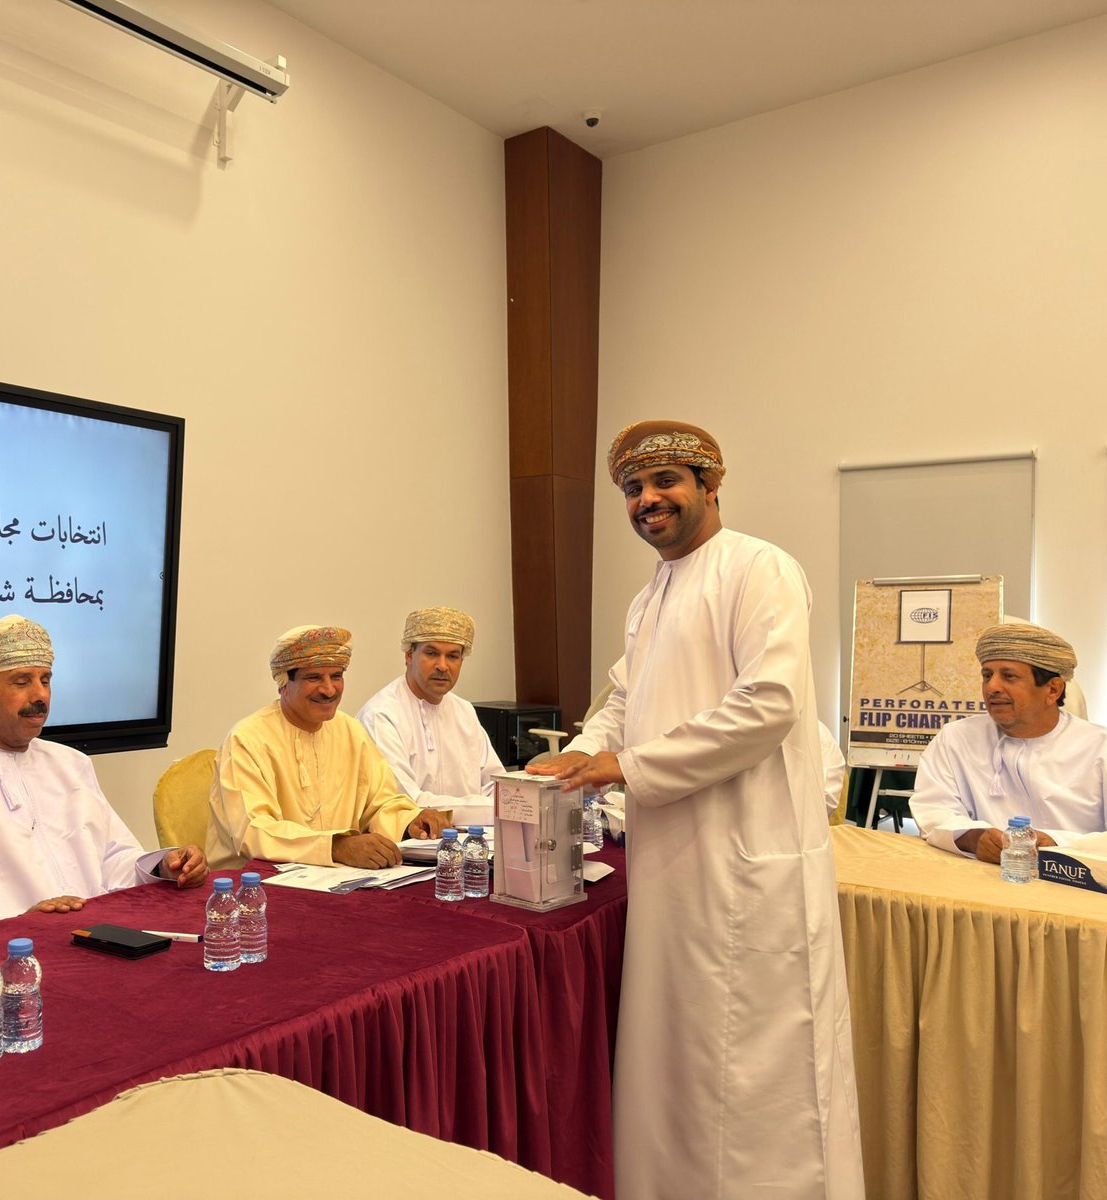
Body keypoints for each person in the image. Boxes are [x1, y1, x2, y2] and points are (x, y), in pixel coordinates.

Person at [528, 421, 864, 1199]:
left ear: (711, 485)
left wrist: (627, 766)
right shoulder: (650, 595)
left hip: (748, 861)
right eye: (633, 489)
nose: (647, 500)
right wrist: (582, 751)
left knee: (757, 1076)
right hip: (672, 866)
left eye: (666, 482)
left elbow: (768, 704)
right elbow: (624, 698)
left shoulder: (759, 568)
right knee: (677, 1058)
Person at [0, 615, 207, 938]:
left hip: (93, 938)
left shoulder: (70, 763)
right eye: (22, 682)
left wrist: (163, 866)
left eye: (45, 680)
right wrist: (13, 921)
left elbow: (113, 857)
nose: (40, 696)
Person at [207, 624, 447, 870]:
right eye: (313, 678)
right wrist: (336, 847)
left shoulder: (350, 731)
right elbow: (254, 831)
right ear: (284, 683)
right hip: (256, 883)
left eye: (336, 676)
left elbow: (380, 803)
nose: (329, 689)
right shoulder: (247, 740)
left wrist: (410, 821)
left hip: (337, 878)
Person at [910, 622, 1106, 862]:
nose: (992, 687)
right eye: (987, 675)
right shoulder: (956, 738)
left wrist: (1057, 843)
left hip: (1078, 880)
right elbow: (933, 809)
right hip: (979, 875)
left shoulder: (1099, 748)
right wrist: (975, 838)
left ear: (1053, 690)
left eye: (1009, 676)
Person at [356, 606, 505, 828]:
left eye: (452, 656)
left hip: (476, 837)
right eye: (432, 653)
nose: (442, 666)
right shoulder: (381, 715)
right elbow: (408, 803)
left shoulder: (464, 711)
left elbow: (498, 787)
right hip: (411, 844)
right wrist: (498, 810)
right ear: (409, 655)